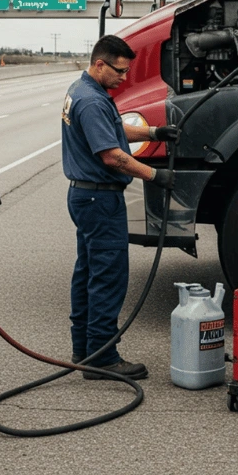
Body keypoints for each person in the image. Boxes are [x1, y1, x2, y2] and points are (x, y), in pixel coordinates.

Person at [62, 35, 177, 379]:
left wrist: (154, 132)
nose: (124, 78)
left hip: (86, 197)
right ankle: (103, 357)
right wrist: (156, 175)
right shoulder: (92, 101)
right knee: (108, 277)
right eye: (119, 72)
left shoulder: (84, 91)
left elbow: (113, 131)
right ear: (100, 64)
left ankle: (84, 351)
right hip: (100, 198)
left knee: (88, 273)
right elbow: (112, 155)